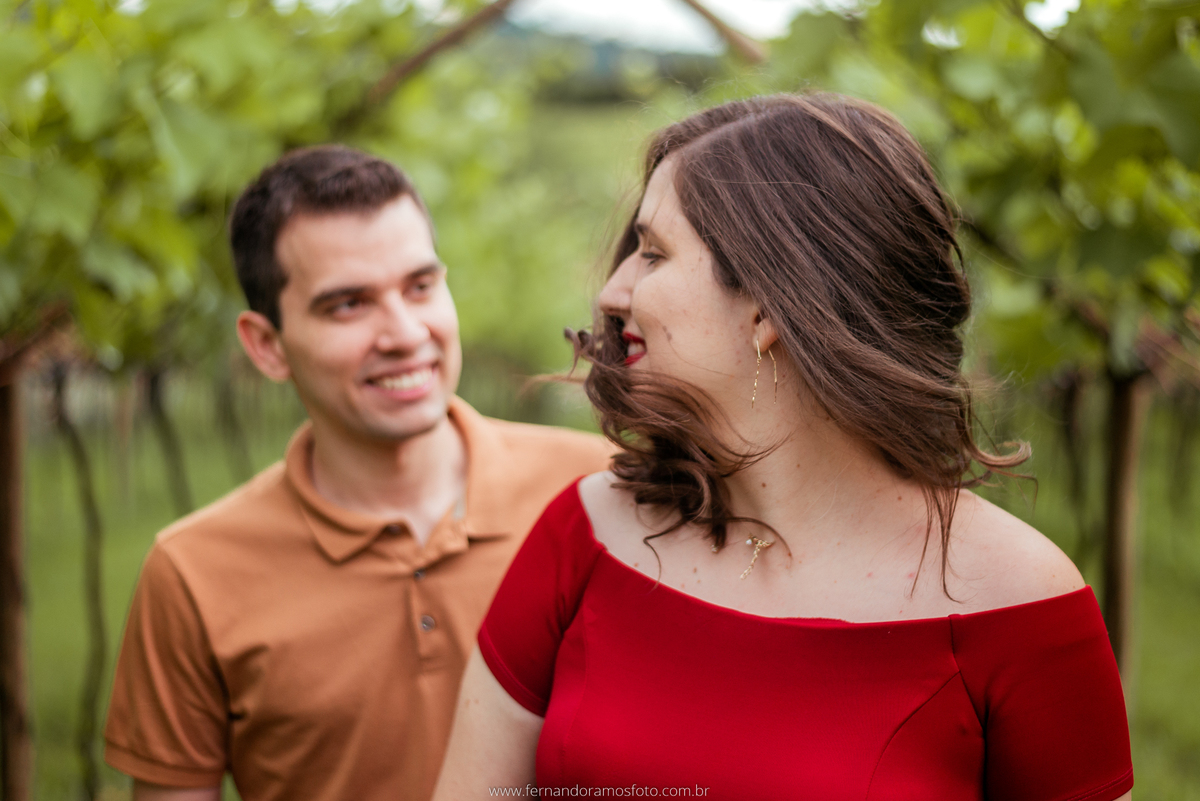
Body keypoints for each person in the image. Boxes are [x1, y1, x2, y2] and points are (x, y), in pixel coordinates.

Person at [432, 94, 1134, 800]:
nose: (615, 291)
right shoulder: (585, 532)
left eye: (653, 253)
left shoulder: (1017, 599)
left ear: (771, 302)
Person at [103, 145, 613, 801]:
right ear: (266, 344)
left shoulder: (597, 492)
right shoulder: (193, 571)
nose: (405, 332)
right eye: (348, 304)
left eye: (421, 286)